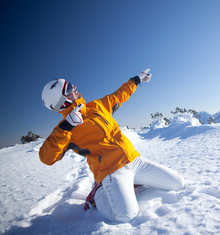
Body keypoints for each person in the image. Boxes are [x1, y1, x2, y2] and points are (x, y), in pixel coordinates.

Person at [39, 69, 185, 223]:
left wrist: (136, 80)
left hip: (134, 160)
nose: (74, 87)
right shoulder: (64, 129)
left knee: (177, 183)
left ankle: (131, 182)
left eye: (70, 84)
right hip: (112, 172)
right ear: (61, 101)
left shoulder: (96, 106)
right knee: (125, 216)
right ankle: (99, 192)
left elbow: (119, 95)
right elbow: (46, 158)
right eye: (68, 88)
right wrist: (67, 126)